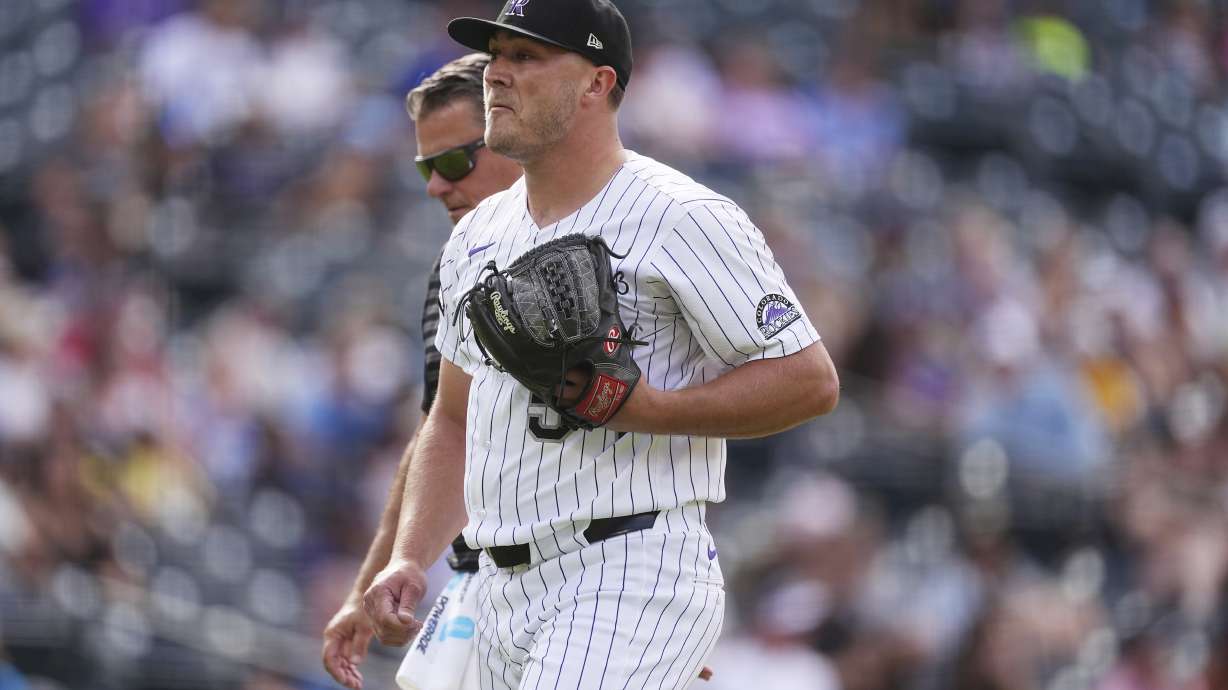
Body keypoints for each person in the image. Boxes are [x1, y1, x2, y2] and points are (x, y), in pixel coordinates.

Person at [363, 0, 840, 687]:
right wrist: (411, 554)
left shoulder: (680, 215)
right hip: (500, 587)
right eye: (495, 55)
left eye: (526, 57)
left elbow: (809, 379)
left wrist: (651, 410)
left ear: (597, 83)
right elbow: (455, 419)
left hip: (626, 565)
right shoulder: (477, 234)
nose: (497, 74)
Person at [320, 52, 523, 690]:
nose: (437, 185)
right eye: (425, 168)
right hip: (483, 579)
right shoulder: (455, 267)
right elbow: (441, 430)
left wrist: (651, 606)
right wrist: (374, 576)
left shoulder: (618, 243)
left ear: (515, 135)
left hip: (591, 581)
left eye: (454, 161)